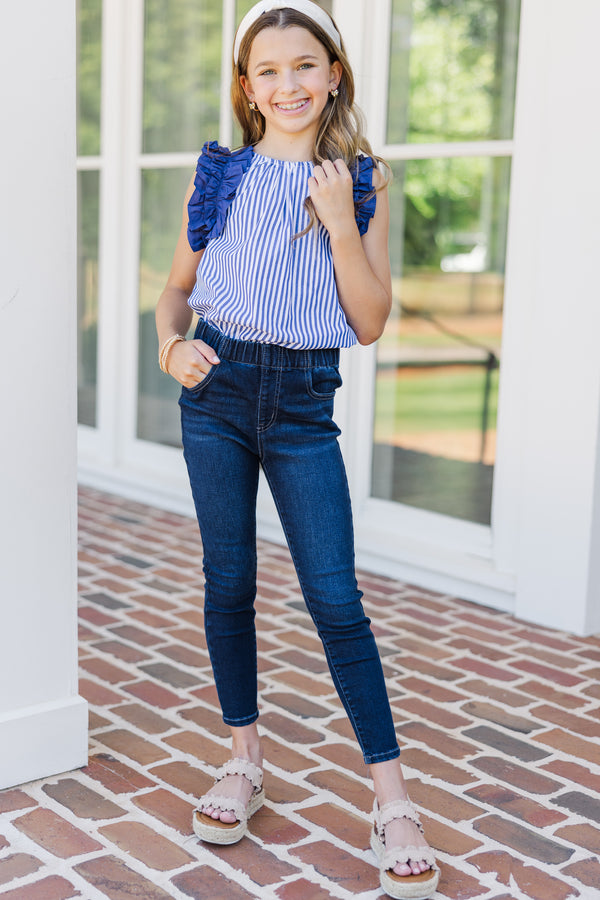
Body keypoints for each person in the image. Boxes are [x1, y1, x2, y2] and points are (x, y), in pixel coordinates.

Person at [155, 2, 439, 897]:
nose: (288, 85)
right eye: (268, 71)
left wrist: (341, 222)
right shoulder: (221, 174)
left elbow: (370, 321)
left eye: (304, 66)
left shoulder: (361, 178)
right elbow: (174, 291)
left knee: (334, 596)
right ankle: (244, 758)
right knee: (228, 580)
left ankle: (391, 799)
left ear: (335, 74)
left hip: (305, 400)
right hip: (219, 392)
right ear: (248, 87)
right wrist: (171, 347)